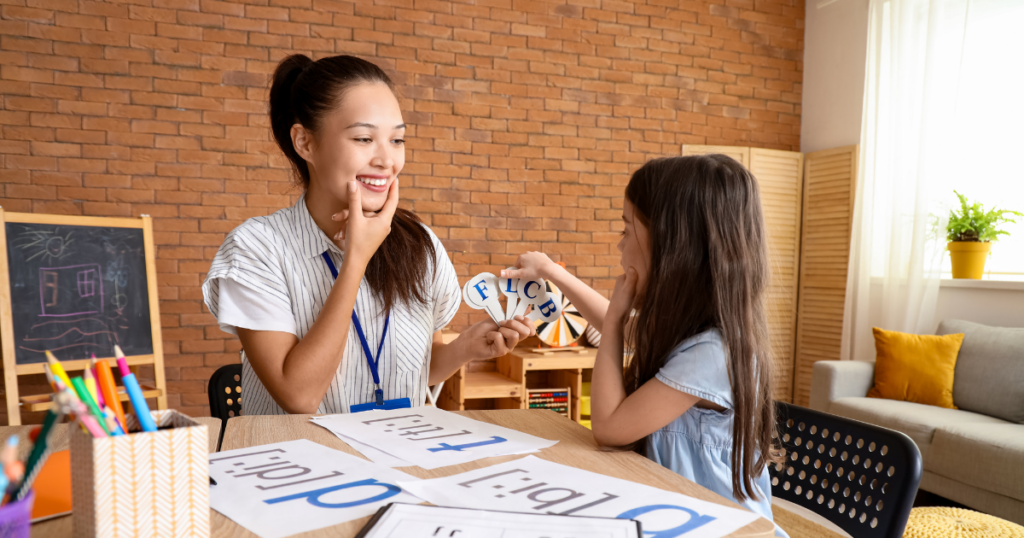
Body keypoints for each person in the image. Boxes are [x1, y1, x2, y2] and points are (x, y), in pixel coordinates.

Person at [202, 54, 533, 415]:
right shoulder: (255, 249)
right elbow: (299, 396)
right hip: (300, 465)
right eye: (363, 138)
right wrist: (355, 260)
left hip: (394, 459)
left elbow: (418, 367)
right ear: (305, 143)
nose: (386, 160)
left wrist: (466, 348)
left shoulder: (419, 246)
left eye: (397, 140)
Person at [503, 155, 786, 535]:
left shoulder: (712, 354)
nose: (620, 248)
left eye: (626, 230)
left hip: (723, 528)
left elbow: (609, 427)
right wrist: (552, 273)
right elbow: (610, 322)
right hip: (673, 508)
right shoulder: (696, 334)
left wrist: (619, 317)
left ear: (674, 246)